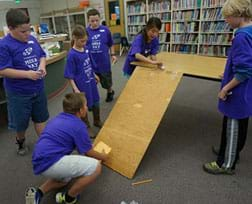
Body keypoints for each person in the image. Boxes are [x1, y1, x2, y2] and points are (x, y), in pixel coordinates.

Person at [30, 93, 109, 204]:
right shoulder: (79, 126)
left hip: (39, 160)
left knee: (64, 180)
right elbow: (88, 152)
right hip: (52, 161)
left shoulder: (58, 118)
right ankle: (69, 198)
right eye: (85, 105)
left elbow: (73, 142)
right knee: (96, 168)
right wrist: (104, 157)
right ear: (81, 110)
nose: (87, 107)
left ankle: (38, 192)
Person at [203, 0, 252, 175]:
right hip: (245, 91)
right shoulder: (250, 31)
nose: (226, 21)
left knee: (233, 126)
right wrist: (228, 74)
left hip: (237, 93)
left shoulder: (241, 37)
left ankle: (226, 164)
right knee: (239, 126)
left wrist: (225, 88)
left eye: (228, 17)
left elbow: (244, 71)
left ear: (239, 15)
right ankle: (230, 152)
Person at [0, 9, 49, 155]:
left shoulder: (32, 39)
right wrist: (27, 74)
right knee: (20, 124)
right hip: (19, 93)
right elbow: (2, 70)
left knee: (40, 118)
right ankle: (20, 142)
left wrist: (42, 66)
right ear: (11, 28)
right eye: (23, 31)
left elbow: (42, 55)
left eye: (29, 30)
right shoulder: (4, 45)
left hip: (38, 88)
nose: (27, 34)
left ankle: (46, 145)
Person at [64, 25, 102, 129]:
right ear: (74, 38)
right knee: (82, 107)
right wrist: (75, 89)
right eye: (82, 41)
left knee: (96, 102)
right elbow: (69, 75)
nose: (84, 43)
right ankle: (87, 127)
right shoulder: (72, 55)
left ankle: (97, 121)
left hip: (91, 83)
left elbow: (89, 64)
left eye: (85, 41)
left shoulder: (86, 49)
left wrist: (94, 75)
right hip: (80, 86)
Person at [86, 8, 117, 102]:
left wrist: (113, 54)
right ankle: (93, 99)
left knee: (107, 83)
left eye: (97, 20)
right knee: (92, 83)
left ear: (99, 19)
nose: (95, 23)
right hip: (92, 63)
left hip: (104, 63)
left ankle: (110, 91)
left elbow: (110, 44)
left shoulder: (105, 30)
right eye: (92, 21)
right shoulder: (86, 32)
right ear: (88, 21)